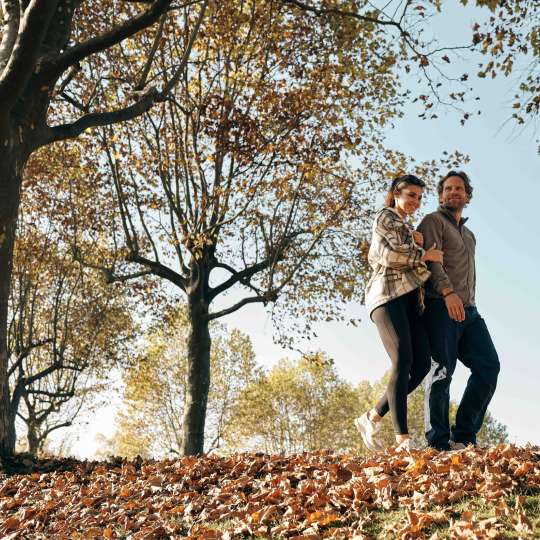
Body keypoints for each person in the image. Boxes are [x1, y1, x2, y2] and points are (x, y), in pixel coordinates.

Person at [356, 174, 444, 452]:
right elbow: (388, 257)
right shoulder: (386, 217)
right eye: (410, 195)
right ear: (396, 192)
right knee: (403, 358)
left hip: (409, 302)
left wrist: (416, 244)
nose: (415, 201)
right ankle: (402, 439)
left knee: (420, 365)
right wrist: (423, 254)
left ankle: (372, 416)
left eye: (419, 197)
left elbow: (410, 261)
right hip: (386, 297)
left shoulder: (405, 226)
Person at [418, 171, 500, 451]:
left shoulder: (470, 236)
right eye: (448, 188)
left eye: (459, 189)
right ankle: (438, 442)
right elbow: (431, 261)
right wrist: (447, 292)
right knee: (441, 371)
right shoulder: (432, 221)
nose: (454, 192)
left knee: (489, 366)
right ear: (441, 195)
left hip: (470, 311)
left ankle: (464, 436)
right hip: (441, 305)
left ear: (467, 196)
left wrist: (466, 300)